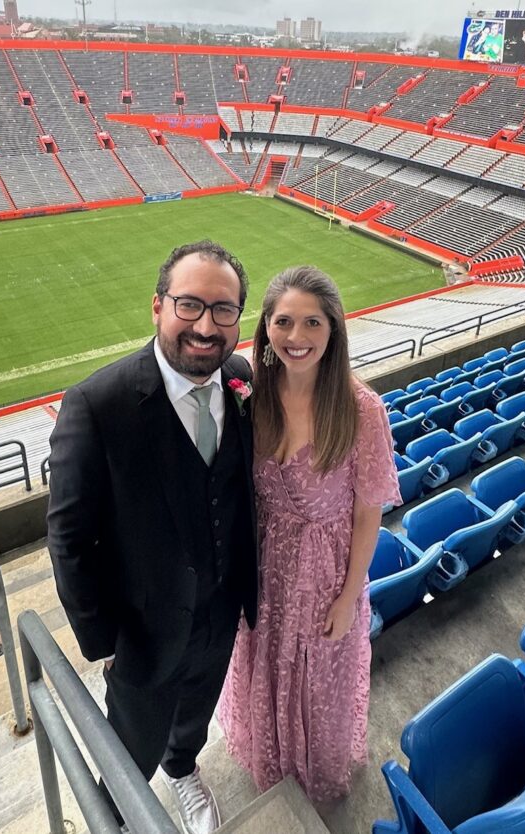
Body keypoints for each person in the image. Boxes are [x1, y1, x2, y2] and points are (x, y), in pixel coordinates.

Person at [47, 240, 260, 834]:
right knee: (129, 748)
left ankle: (184, 767)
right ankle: (113, 816)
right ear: (157, 307)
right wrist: (102, 639)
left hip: (221, 614)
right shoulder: (97, 404)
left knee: (193, 713)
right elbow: (68, 538)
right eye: (189, 305)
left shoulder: (239, 380)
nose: (206, 325)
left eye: (224, 310)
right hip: (143, 633)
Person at [218, 266, 401, 802]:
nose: (297, 338)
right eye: (284, 322)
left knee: (316, 676)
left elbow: (369, 513)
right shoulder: (251, 390)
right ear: (266, 327)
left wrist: (349, 595)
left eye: (312, 323)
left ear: (334, 329)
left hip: (325, 573)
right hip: (262, 564)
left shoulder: (362, 408)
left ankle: (309, 768)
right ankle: (271, 758)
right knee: (264, 663)